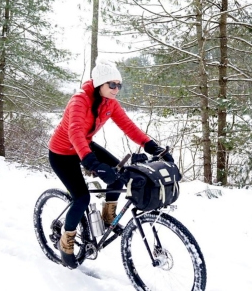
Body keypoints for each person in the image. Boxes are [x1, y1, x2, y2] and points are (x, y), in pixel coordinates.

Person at [48, 58, 173, 269]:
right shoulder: (80, 100)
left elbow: (129, 127)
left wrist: (152, 147)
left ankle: (108, 217)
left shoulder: (109, 103)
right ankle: (66, 241)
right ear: (99, 84)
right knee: (82, 198)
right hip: (62, 153)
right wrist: (92, 163)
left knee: (119, 175)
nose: (116, 89)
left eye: (119, 85)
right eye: (112, 85)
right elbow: (75, 132)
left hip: (85, 146)